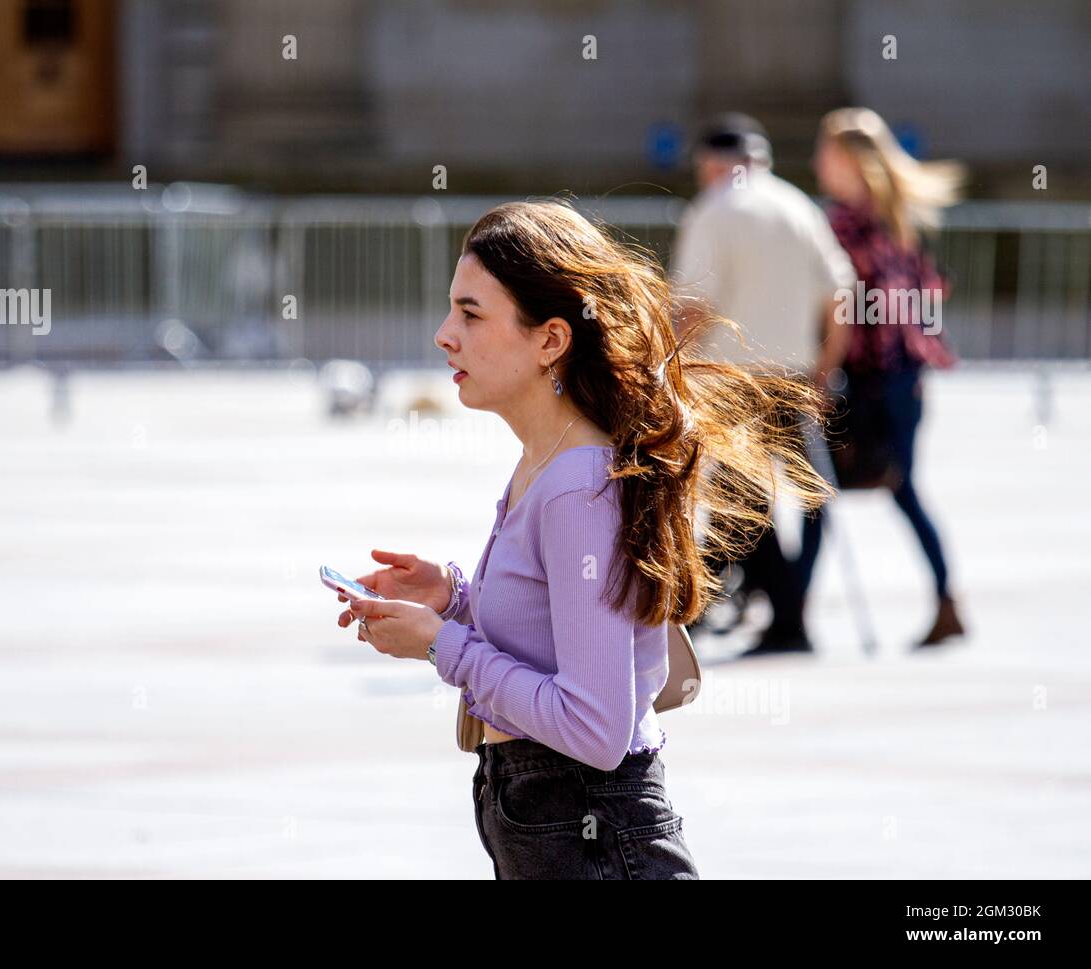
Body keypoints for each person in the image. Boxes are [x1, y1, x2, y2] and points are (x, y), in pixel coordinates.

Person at [332, 199, 830, 879]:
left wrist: (440, 645)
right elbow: (552, 630)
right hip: (560, 822)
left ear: (551, 340)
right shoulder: (547, 459)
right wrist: (452, 598)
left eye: (471, 314)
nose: (446, 335)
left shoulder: (575, 483)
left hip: (593, 835)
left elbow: (595, 729)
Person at [670, 113, 856, 655]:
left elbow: (695, 308)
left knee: (741, 504)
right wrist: (826, 366)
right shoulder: (799, 207)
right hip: (795, 378)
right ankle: (787, 614)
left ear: (711, 163)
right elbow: (841, 295)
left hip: (733, 382)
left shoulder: (713, 210)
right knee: (812, 495)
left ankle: (783, 618)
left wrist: (670, 367)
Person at [809, 106, 967, 647]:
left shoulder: (845, 224)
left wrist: (823, 363)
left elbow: (841, 306)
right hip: (906, 378)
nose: (817, 162)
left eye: (826, 152)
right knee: (897, 489)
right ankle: (947, 601)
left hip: (870, 382)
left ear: (850, 159)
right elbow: (926, 299)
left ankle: (792, 615)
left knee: (824, 489)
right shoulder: (899, 219)